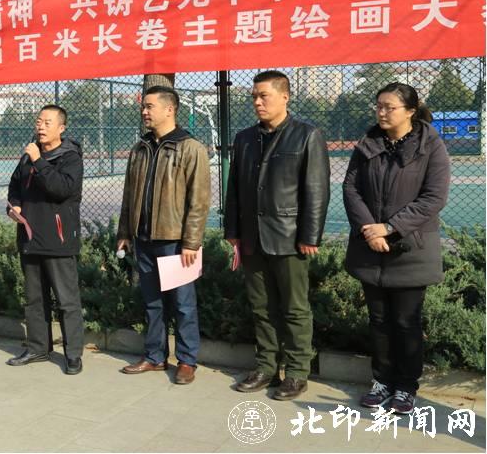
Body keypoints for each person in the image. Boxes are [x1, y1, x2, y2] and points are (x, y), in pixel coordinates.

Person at [342, 82, 450, 415]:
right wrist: (369, 230)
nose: (381, 112)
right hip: (369, 248)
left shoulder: (431, 146)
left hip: (410, 250)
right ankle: (382, 381)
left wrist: (390, 228)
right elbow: (351, 188)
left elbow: (434, 198)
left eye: (389, 107)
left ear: (410, 111)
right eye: (378, 106)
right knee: (378, 320)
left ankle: (406, 386)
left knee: (406, 321)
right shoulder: (368, 143)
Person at [225, 70, 330, 401]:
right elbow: (234, 188)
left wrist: (309, 235)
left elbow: (316, 190)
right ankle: (266, 367)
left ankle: (297, 372)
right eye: (254, 97)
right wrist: (233, 232)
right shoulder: (245, 138)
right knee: (261, 306)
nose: (257, 102)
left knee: (295, 308)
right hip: (252, 237)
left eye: (264, 96)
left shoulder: (306, 135)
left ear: (285, 97)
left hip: (289, 237)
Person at [116, 85, 211, 385]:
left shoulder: (190, 148)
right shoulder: (140, 149)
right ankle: (155, 356)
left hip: (175, 242)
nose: (144, 111)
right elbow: (129, 194)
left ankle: (187, 361)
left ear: (170, 109)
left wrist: (191, 241)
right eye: (143, 106)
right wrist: (124, 232)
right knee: (152, 303)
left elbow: (199, 201)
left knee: (183, 305)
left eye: (149, 106)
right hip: (143, 240)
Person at [6, 105, 85, 375]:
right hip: (30, 237)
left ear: (61, 128)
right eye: (39, 121)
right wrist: (14, 205)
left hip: (58, 240)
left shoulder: (70, 157)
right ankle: (38, 348)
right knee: (34, 300)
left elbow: (61, 189)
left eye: (47, 122)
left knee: (67, 301)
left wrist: (39, 161)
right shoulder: (28, 155)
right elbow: (15, 185)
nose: (40, 126)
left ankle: (73, 354)